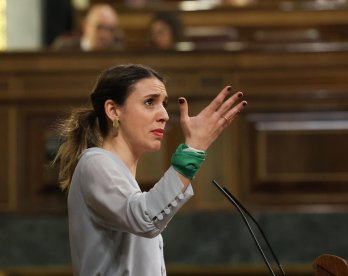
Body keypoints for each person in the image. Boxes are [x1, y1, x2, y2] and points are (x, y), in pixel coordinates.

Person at [53, 64, 247, 275]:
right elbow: (145, 218)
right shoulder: (94, 162)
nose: (164, 114)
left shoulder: (118, 173)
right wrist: (192, 151)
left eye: (163, 104)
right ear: (113, 110)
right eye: (149, 102)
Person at [51, 3, 123, 51]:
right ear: (86, 25)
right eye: (99, 27)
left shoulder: (117, 50)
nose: (104, 35)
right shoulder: (64, 47)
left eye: (110, 29)